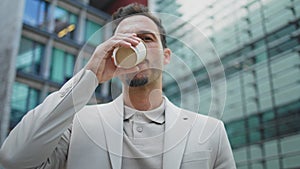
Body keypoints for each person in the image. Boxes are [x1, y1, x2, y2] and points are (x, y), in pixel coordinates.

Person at [0, 3, 236, 169]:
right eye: (123, 40)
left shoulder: (210, 131)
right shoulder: (77, 124)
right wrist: (90, 75)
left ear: (166, 56)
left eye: (146, 38)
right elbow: (13, 158)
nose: (134, 46)